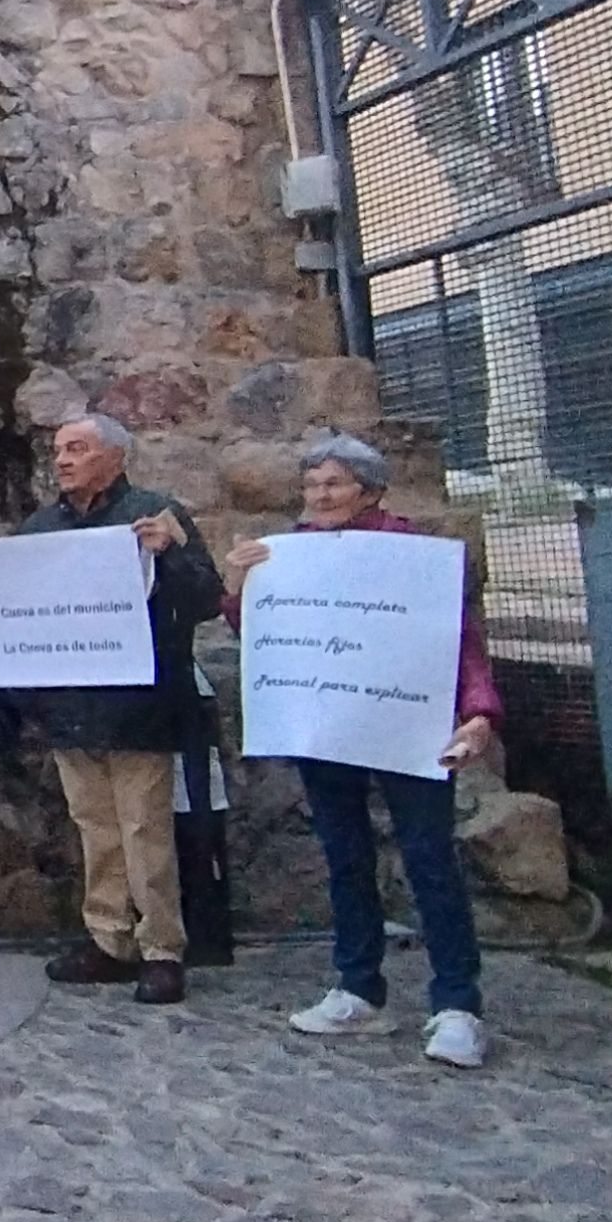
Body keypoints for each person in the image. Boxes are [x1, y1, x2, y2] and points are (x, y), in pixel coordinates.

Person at [224, 433, 506, 1068]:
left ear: (371, 489)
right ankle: (359, 989)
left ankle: (457, 1003)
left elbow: (462, 640)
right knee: (345, 858)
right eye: (311, 485)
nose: (319, 496)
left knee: (431, 860)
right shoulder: (287, 553)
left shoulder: (413, 554)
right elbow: (260, 635)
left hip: (410, 727)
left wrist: (479, 715)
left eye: (333, 483)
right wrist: (242, 583)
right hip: (330, 727)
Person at [6, 412, 221, 1006]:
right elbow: (15, 602)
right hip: (71, 706)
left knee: (144, 829)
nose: (62, 460)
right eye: (58, 450)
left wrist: (171, 554)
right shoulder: (41, 527)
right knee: (95, 829)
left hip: (139, 706)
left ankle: (161, 949)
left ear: (115, 458)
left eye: (77, 448)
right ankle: (109, 938)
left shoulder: (155, 514)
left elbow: (206, 598)